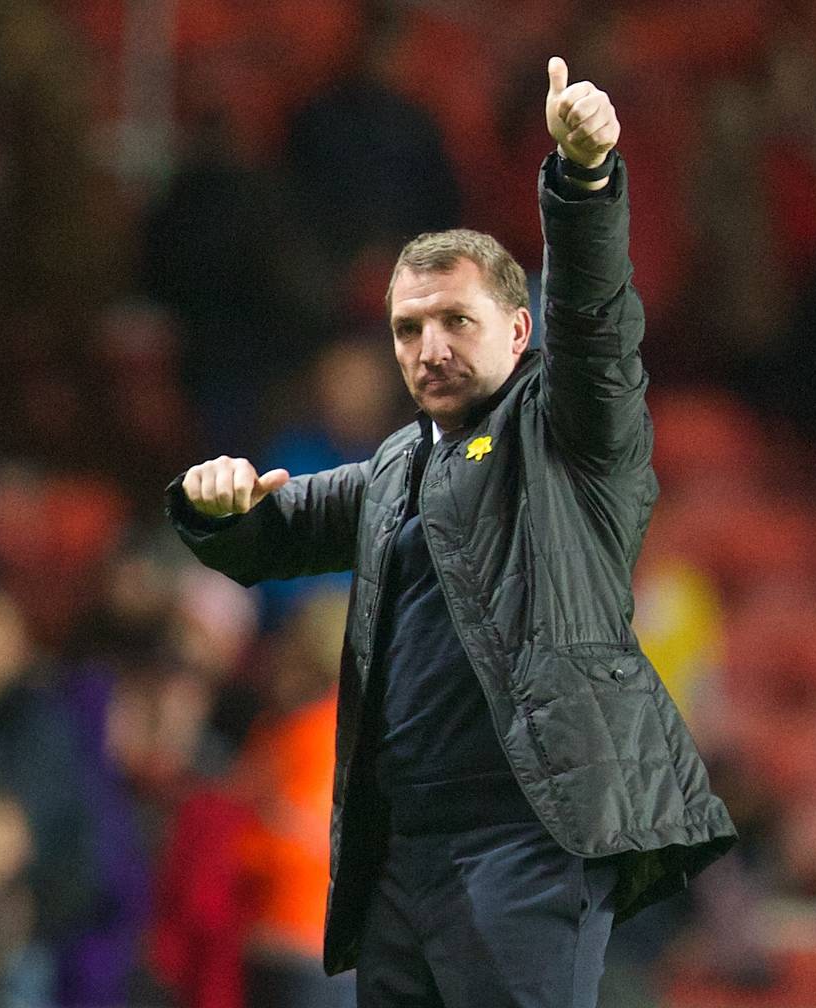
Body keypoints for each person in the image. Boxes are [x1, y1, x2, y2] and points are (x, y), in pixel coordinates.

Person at [165, 57, 736, 1008]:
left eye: (455, 322)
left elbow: (596, 324)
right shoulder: (395, 468)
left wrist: (584, 184)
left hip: (525, 838)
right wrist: (216, 506)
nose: (427, 348)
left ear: (519, 332)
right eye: (406, 327)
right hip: (402, 849)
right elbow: (275, 534)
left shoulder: (568, 438)